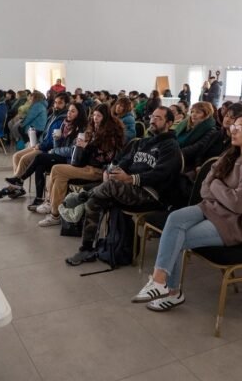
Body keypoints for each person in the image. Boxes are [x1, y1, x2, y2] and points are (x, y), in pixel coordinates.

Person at [131, 113, 242, 311]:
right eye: (233, 126)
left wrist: (217, 186)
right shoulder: (231, 155)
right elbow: (205, 187)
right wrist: (221, 190)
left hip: (232, 223)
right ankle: (160, 281)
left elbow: (238, 204)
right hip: (210, 207)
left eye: (240, 128)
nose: (232, 130)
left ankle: (171, 292)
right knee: (175, 219)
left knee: (178, 238)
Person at [65, 107, 182, 264]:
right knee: (94, 202)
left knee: (110, 187)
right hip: (127, 187)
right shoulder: (143, 142)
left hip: (150, 193)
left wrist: (131, 179)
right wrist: (111, 171)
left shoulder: (171, 146)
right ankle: (86, 249)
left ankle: (82, 196)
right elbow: (124, 162)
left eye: (158, 118)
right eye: (152, 116)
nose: (152, 120)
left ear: (169, 123)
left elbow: (161, 174)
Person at [41, 104, 125, 226]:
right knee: (59, 176)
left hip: (98, 170)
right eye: (94, 115)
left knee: (57, 169)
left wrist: (87, 146)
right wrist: (80, 145)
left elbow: (106, 157)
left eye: (99, 116)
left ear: (105, 117)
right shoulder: (93, 129)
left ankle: (52, 208)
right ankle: (55, 211)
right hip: (86, 166)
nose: (95, 118)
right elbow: (88, 151)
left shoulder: (110, 134)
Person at [10, 102, 87, 212]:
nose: (69, 113)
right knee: (40, 166)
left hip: (70, 160)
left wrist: (55, 149)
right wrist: (56, 139)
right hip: (59, 155)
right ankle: (39, 198)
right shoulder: (64, 124)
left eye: (73, 111)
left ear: (79, 114)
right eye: (69, 110)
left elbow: (72, 151)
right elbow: (58, 146)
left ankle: (20, 179)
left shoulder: (81, 129)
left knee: (40, 157)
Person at [5, 92, 69, 194]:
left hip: (48, 149)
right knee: (16, 156)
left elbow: (53, 141)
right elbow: (46, 133)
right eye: (55, 103)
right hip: (42, 144)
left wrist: (40, 145)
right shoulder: (53, 115)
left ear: (66, 105)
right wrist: (38, 143)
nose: (56, 105)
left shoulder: (63, 119)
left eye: (60, 103)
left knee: (24, 159)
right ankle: (18, 186)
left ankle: (15, 186)